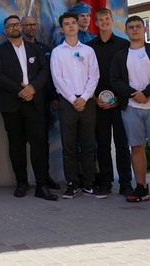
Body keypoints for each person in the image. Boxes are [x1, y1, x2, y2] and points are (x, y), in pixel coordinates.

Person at [109, 16, 150, 206]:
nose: (135, 29)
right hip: (131, 108)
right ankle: (141, 188)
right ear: (126, 31)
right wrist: (133, 94)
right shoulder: (120, 56)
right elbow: (115, 79)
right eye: (131, 27)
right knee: (136, 147)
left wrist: (147, 93)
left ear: (144, 29)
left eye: (138, 26)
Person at [0, 15, 58, 201]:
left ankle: (41, 185)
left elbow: (44, 71)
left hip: (34, 104)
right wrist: (20, 90)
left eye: (16, 24)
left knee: (38, 144)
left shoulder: (35, 49)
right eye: (10, 26)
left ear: (21, 27)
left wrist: (32, 88)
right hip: (11, 104)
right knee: (16, 145)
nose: (14, 27)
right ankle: (21, 183)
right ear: (6, 30)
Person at [51, 12, 99, 199]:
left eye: (73, 23)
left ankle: (88, 184)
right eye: (67, 24)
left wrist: (84, 97)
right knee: (69, 146)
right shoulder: (57, 52)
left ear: (78, 26)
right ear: (62, 29)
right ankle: (71, 184)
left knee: (88, 145)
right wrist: (73, 99)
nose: (71, 26)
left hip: (86, 102)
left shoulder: (88, 51)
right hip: (67, 102)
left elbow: (94, 75)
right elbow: (57, 78)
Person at [86, 8, 132, 197]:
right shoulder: (89, 48)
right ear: (96, 23)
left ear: (112, 21)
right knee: (102, 145)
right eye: (100, 19)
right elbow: (86, 75)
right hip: (98, 103)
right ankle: (105, 182)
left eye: (107, 19)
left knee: (122, 144)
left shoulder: (124, 45)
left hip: (120, 103)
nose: (104, 22)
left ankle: (125, 183)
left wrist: (119, 100)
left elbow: (129, 75)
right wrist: (94, 98)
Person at [21, 15, 61, 190]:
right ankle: (22, 181)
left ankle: (45, 176)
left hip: (42, 102)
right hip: (22, 101)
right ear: (22, 27)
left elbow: (50, 75)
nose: (31, 27)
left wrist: (53, 97)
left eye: (33, 24)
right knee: (22, 142)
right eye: (27, 25)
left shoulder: (44, 48)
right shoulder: (19, 48)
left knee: (43, 142)